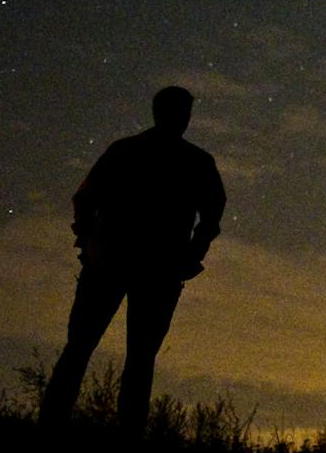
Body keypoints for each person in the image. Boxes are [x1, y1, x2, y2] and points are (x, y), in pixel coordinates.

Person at [40, 85, 227, 433]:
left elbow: (85, 198)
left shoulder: (126, 151)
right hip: (150, 267)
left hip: (118, 261)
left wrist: (87, 242)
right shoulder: (193, 161)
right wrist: (191, 255)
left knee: (86, 349)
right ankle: (121, 435)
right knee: (131, 358)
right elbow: (212, 215)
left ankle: (53, 424)